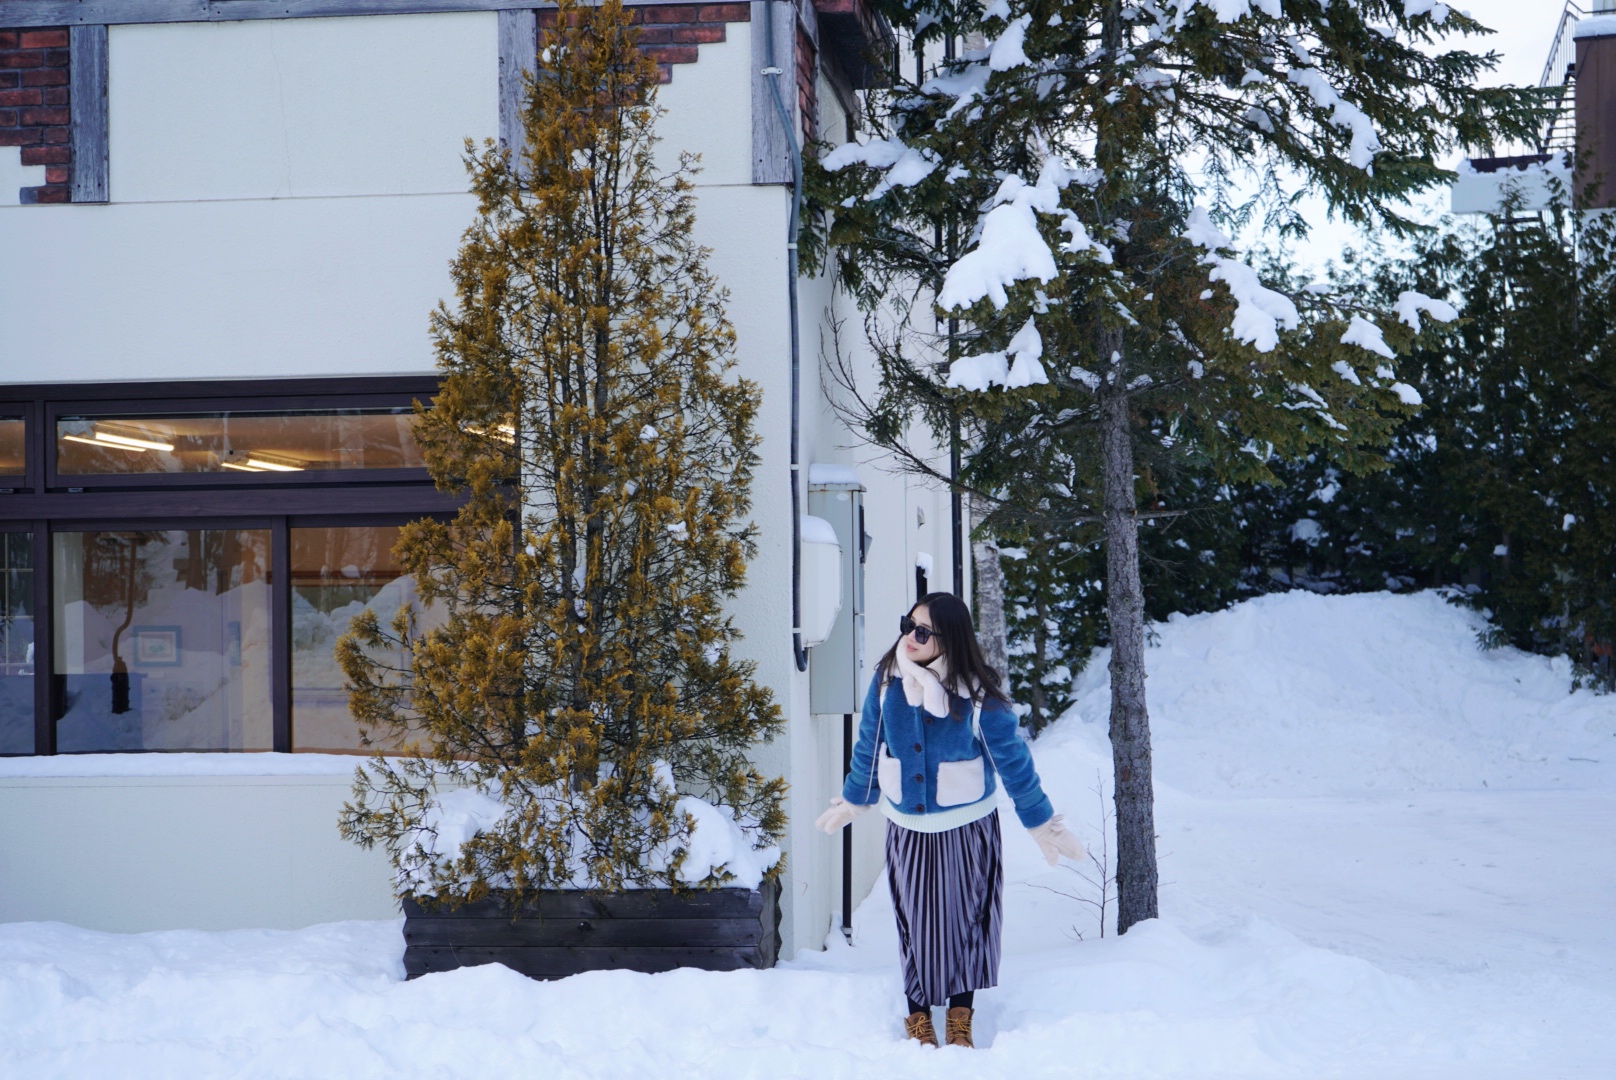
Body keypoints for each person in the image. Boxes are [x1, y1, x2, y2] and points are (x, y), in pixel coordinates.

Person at [815, 591, 1084, 1049]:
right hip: (908, 827)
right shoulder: (887, 682)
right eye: (907, 625)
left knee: (968, 920)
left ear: (949, 639)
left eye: (922, 631)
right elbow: (869, 744)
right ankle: (918, 1017)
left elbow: (1013, 761)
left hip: (967, 828)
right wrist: (853, 798)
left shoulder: (977, 694)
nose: (910, 637)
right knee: (913, 920)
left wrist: (1043, 824)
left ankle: (961, 1015)